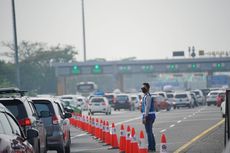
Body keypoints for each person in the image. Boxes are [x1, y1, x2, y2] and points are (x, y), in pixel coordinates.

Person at [141, 83, 156, 152]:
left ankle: (151, 148)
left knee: (149, 132)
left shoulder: (148, 96)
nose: (142, 88)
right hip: (148, 115)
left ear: (147, 88)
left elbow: (148, 107)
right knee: (150, 132)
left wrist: (145, 117)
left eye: (144, 87)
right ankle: (152, 146)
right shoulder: (145, 96)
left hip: (149, 116)